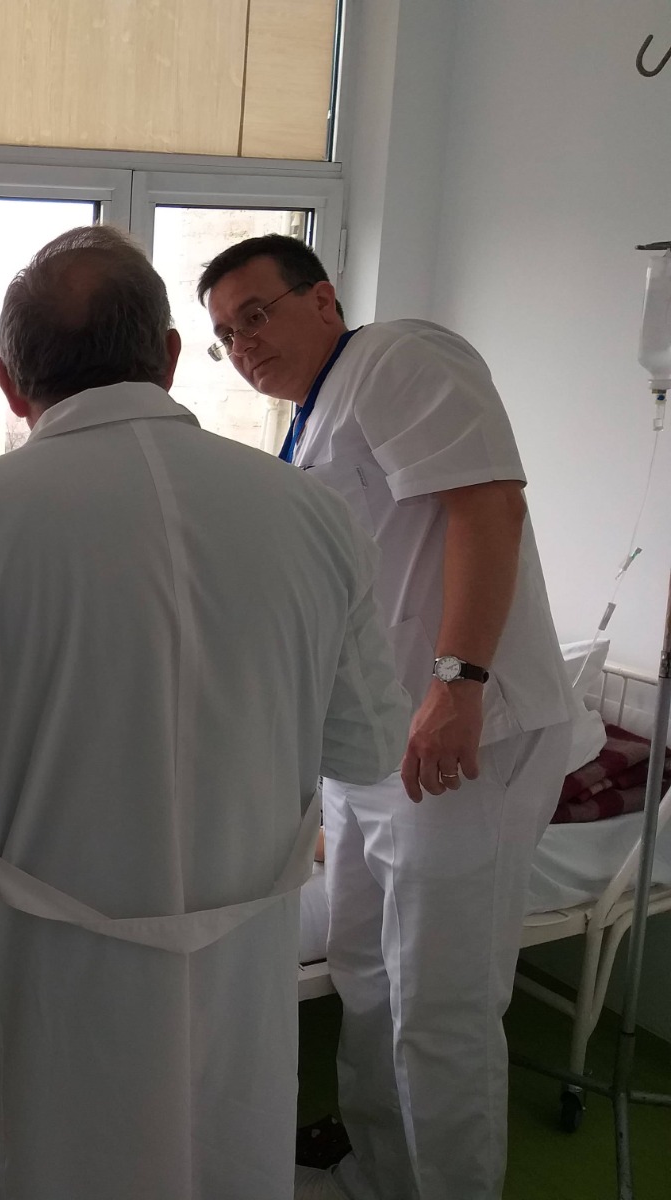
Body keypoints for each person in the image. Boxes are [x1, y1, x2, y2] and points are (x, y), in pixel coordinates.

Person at [0, 226, 411, 1200]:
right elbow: (367, 746)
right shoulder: (311, 515)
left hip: (53, 971)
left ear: (11, 385)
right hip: (243, 959)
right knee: (230, 1165)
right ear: (170, 355)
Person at [198, 234, 572, 1200]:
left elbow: (489, 507)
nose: (243, 344)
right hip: (372, 751)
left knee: (439, 1008)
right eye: (225, 335)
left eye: (255, 315)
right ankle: (377, 1173)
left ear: (323, 299)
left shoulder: (399, 356)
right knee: (366, 976)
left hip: (461, 741)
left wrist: (459, 684)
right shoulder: (312, 424)